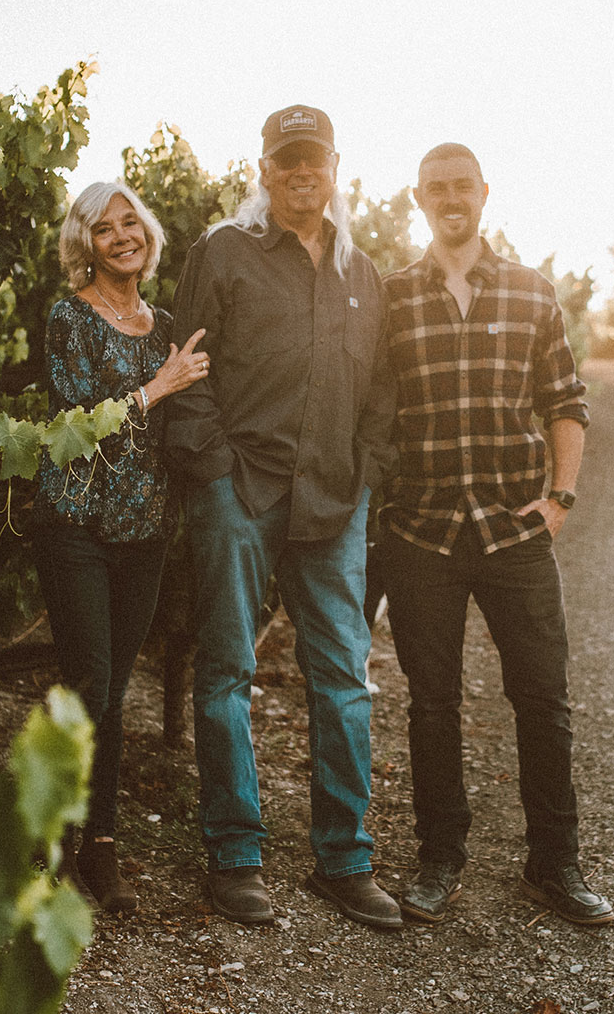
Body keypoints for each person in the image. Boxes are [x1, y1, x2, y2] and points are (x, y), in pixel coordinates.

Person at [163, 105, 401, 929]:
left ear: (336, 169)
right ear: (265, 170)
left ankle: (344, 858)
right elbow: (186, 373)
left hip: (333, 503)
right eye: (286, 160)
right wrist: (215, 474)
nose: (302, 173)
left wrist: (365, 478)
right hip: (242, 492)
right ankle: (234, 855)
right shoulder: (222, 253)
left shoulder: (361, 274)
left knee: (344, 679)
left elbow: (381, 396)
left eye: (316, 161)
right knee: (226, 668)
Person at [378, 143, 614, 925]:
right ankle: (440, 857)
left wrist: (561, 500)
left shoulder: (530, 292)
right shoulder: (392, 299)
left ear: (484, 194)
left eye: (462, 187)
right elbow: (373, 412)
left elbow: (565, 403)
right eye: (436, 189)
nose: (451, 199)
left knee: (542, 698)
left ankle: (556, 863)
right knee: (431, 703)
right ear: (420, 198)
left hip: (515, 530)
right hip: (422, 532)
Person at [32, 181, 209, 912]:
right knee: (94, 684)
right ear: (86, 245)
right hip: (74, 525)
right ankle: (65, 834)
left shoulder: (166, 322)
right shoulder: (68, 318)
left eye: (129, 223)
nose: (121, 236)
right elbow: (73, 422)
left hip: (143, 532)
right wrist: (154, 389)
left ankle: (95, 840)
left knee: (109, 688)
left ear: (147, 234)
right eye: (103, 229)